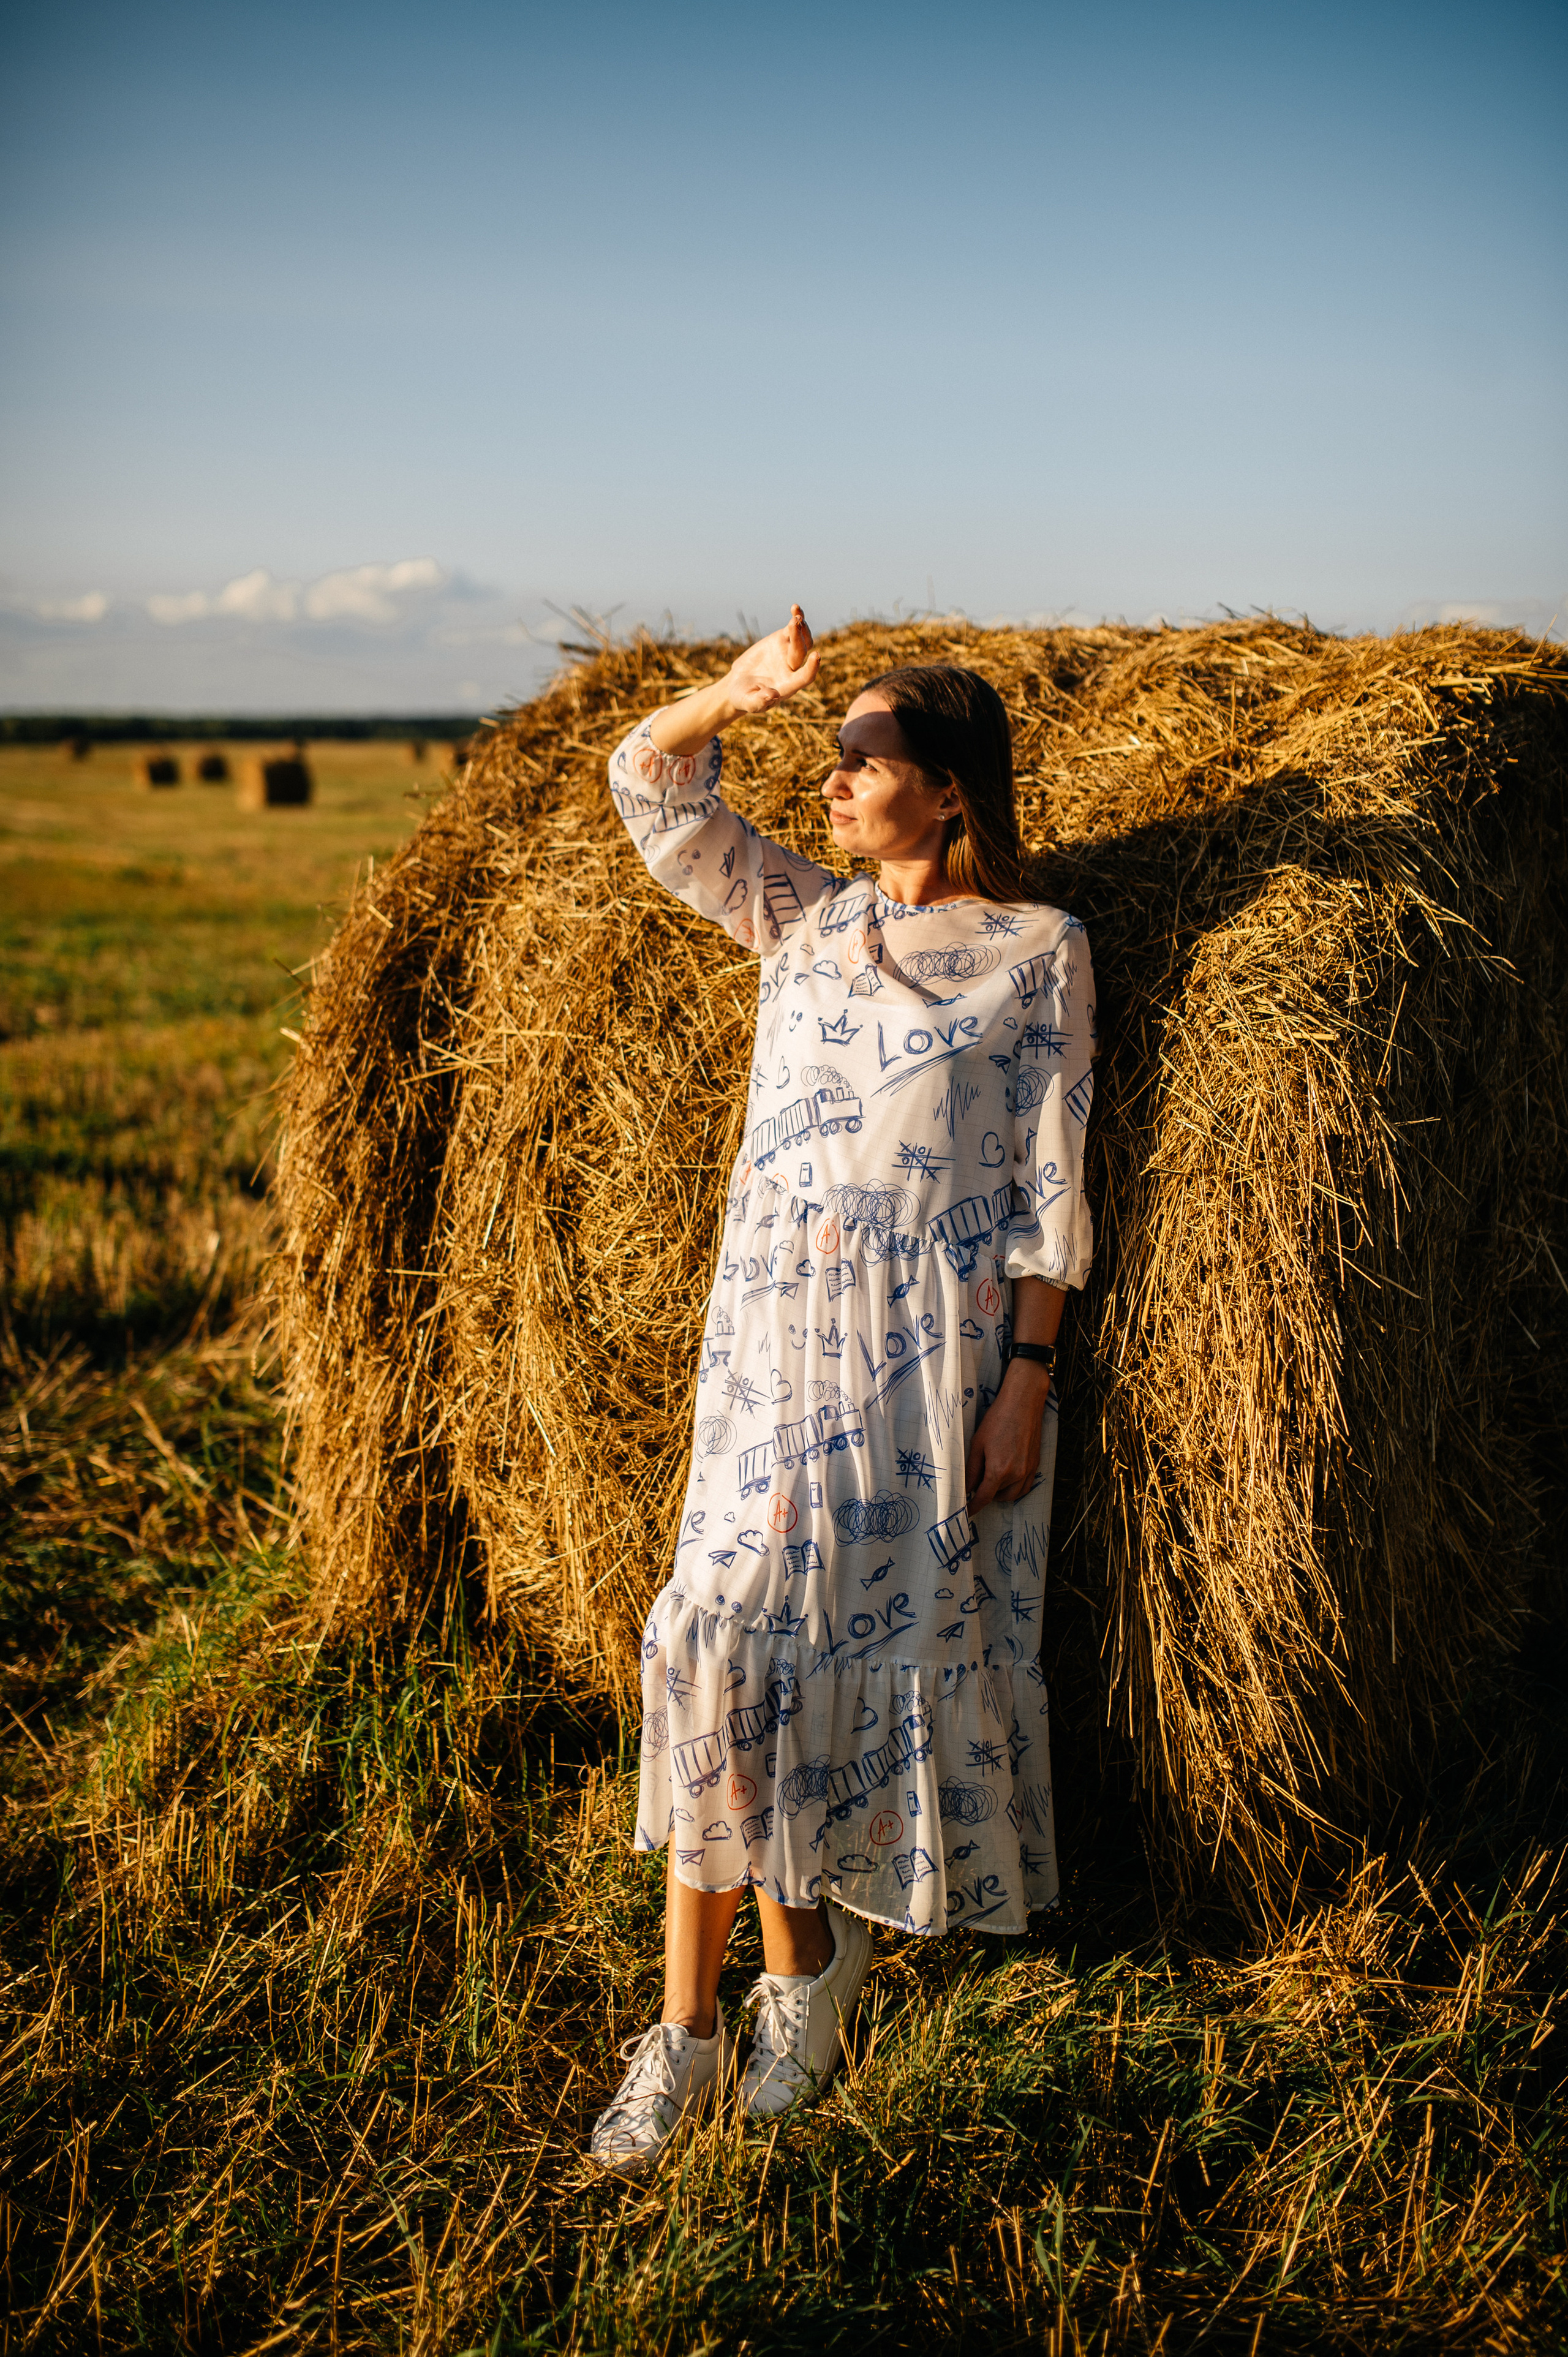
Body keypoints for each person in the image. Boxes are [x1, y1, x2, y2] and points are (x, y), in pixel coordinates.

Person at [589, 607, 1096, 2173]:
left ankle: (794, 1992)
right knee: (718, 1637)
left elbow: (1048, 1193)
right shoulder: (800, 918)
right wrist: (736, 690)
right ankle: (702, 2019)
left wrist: (1023, 1382)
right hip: (767, 1340)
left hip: (925, 1355)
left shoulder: (1039, 952)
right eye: (830, 754)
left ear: (947, 791)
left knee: (812, 1652)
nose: (830, 778)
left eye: (860, 758)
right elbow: (646, 783)